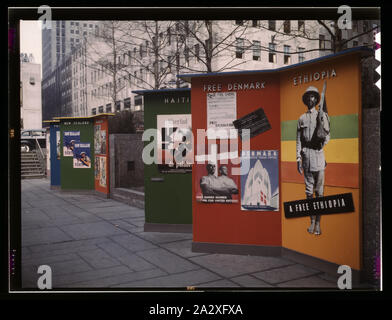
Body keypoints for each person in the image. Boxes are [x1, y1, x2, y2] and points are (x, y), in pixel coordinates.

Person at [296, 85, 330, 236]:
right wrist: (298, 158)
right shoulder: (301, 118)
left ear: (316, 100)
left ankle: (318, 224)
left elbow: (328, 135)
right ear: (306, 100)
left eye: (313, 97)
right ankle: (311, 222)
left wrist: (322, 140)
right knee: (309, 193)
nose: (311, 99)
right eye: (308, 97)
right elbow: (298, 140)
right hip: (306, 158)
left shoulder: (322, 116)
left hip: (318, 156)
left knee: (320, 193)